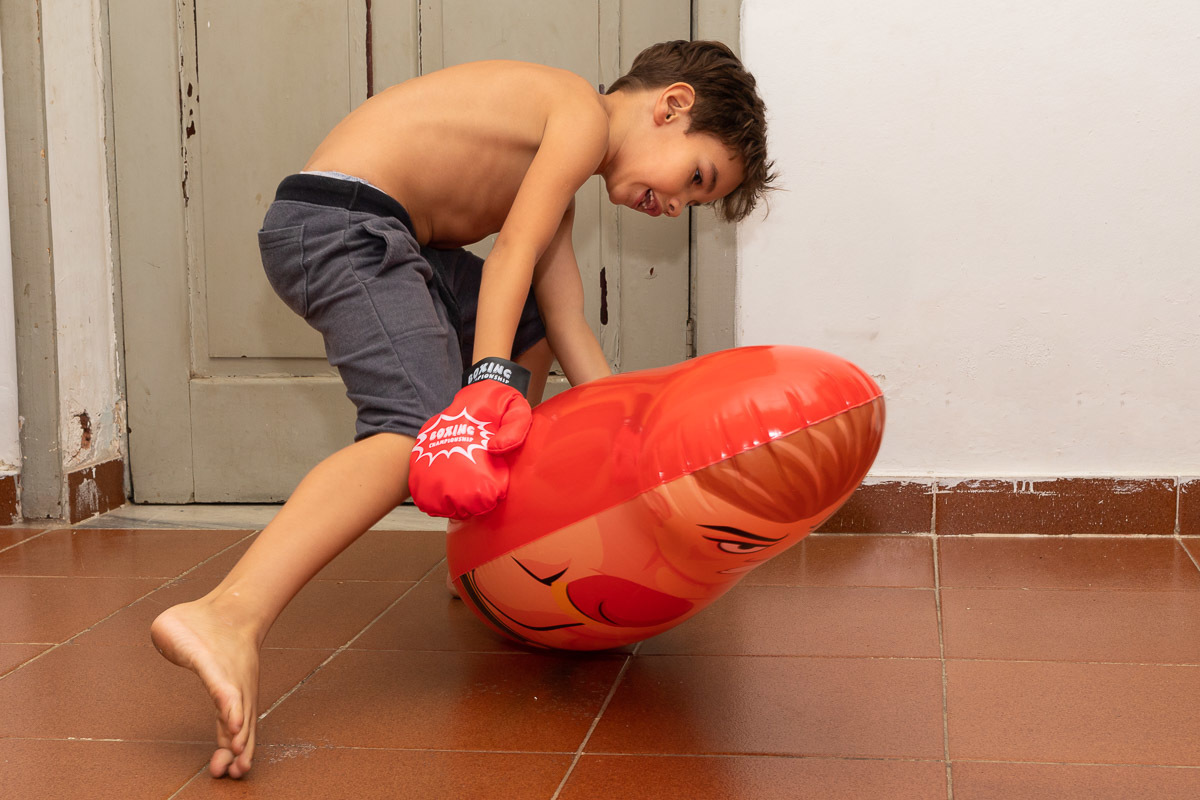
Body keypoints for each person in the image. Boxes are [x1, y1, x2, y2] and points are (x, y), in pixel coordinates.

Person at [150, 39, 774, 779]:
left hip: (384, 233)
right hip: (343, 224)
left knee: (537, 327)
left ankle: (492, 537)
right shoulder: (576, 112)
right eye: (694, 178)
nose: (675, 207)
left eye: (694, 205)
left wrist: (632, 440)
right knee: (413, 433)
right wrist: (480, 390)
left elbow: (567, 317)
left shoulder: (565, 165)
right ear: (671, 106)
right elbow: (511, 254)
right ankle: (227, 614)